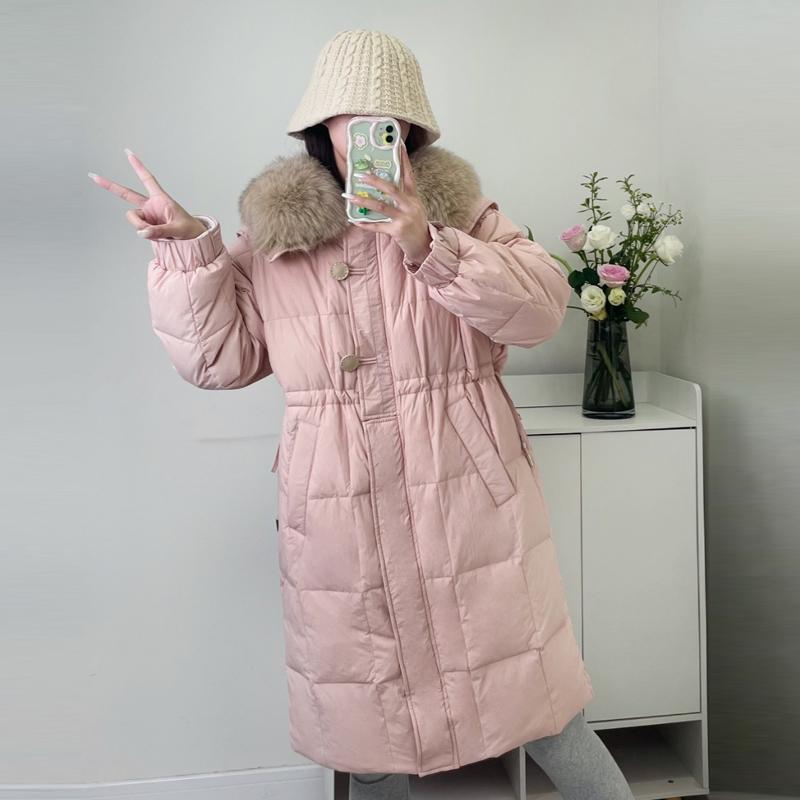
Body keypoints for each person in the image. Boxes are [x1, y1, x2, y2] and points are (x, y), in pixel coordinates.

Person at [89, 28, 634, 800]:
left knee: (544, 709)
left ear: (409, 129)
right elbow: (219, 360)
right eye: (351, 115)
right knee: (369, 729)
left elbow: (541, 311)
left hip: (468, 501)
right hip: (336, 508)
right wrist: (189, 254)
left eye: (387, 118)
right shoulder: (276, 237)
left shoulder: (464, 217)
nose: (368, 131)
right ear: (321, 125)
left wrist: (427, 242)